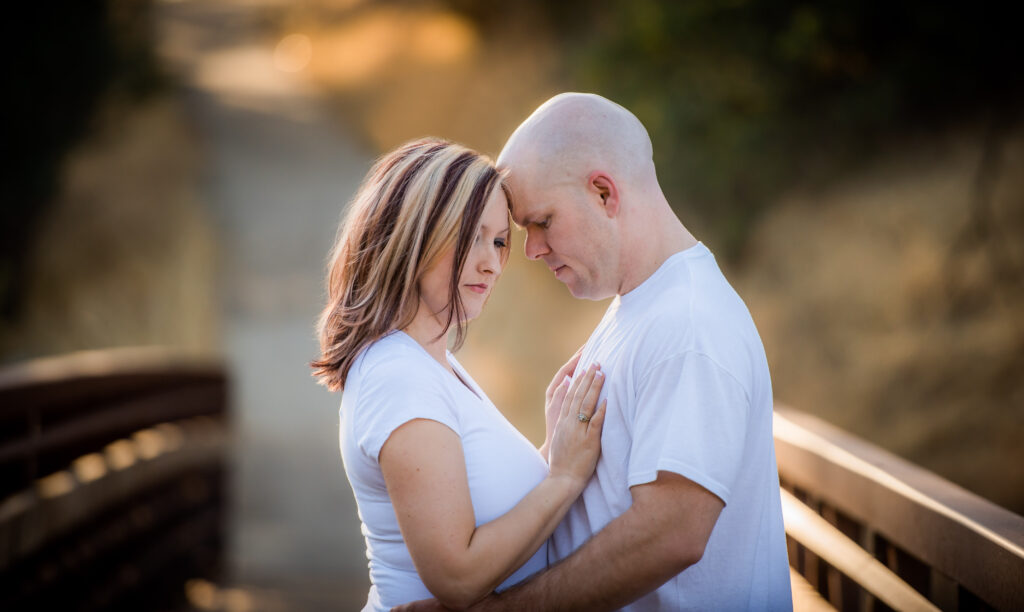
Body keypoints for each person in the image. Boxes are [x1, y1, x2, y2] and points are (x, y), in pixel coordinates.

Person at [399, 93, 793, 611]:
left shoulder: (690, 327)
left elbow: (673, 532)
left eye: (542, 221)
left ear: (604, 193)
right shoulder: (644, 305)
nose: (532, 250)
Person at [311, 138, 609, 611]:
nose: (490, 262)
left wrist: (552, 452)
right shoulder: (398, 376)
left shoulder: (428, 360)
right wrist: (564, 480)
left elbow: (470, 494)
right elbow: (457, 575)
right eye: (471, 236)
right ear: (413, 234)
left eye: (497, 241)